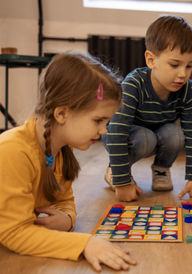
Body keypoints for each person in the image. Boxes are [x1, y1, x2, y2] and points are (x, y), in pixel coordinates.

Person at [0, 53, 136, 271]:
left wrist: (67, 219)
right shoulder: (12, 151)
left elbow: (65, 201)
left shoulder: (62, 150)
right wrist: (85, 243)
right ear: (62, 113)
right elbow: (15, 232)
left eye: (107, 122)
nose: (103, 131)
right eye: (98, 120)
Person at [103, 15, 192, 202]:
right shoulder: (133, 84)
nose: (183, 74)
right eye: (174, 65)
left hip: (156, 132)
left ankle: (161, 169)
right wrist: (122, 181)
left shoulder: (187, 90)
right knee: (146, 138)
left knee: (176, 135)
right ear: (151, 60)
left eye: (189, 66)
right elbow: (117, 130)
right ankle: (115, 170)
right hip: (120, 135)